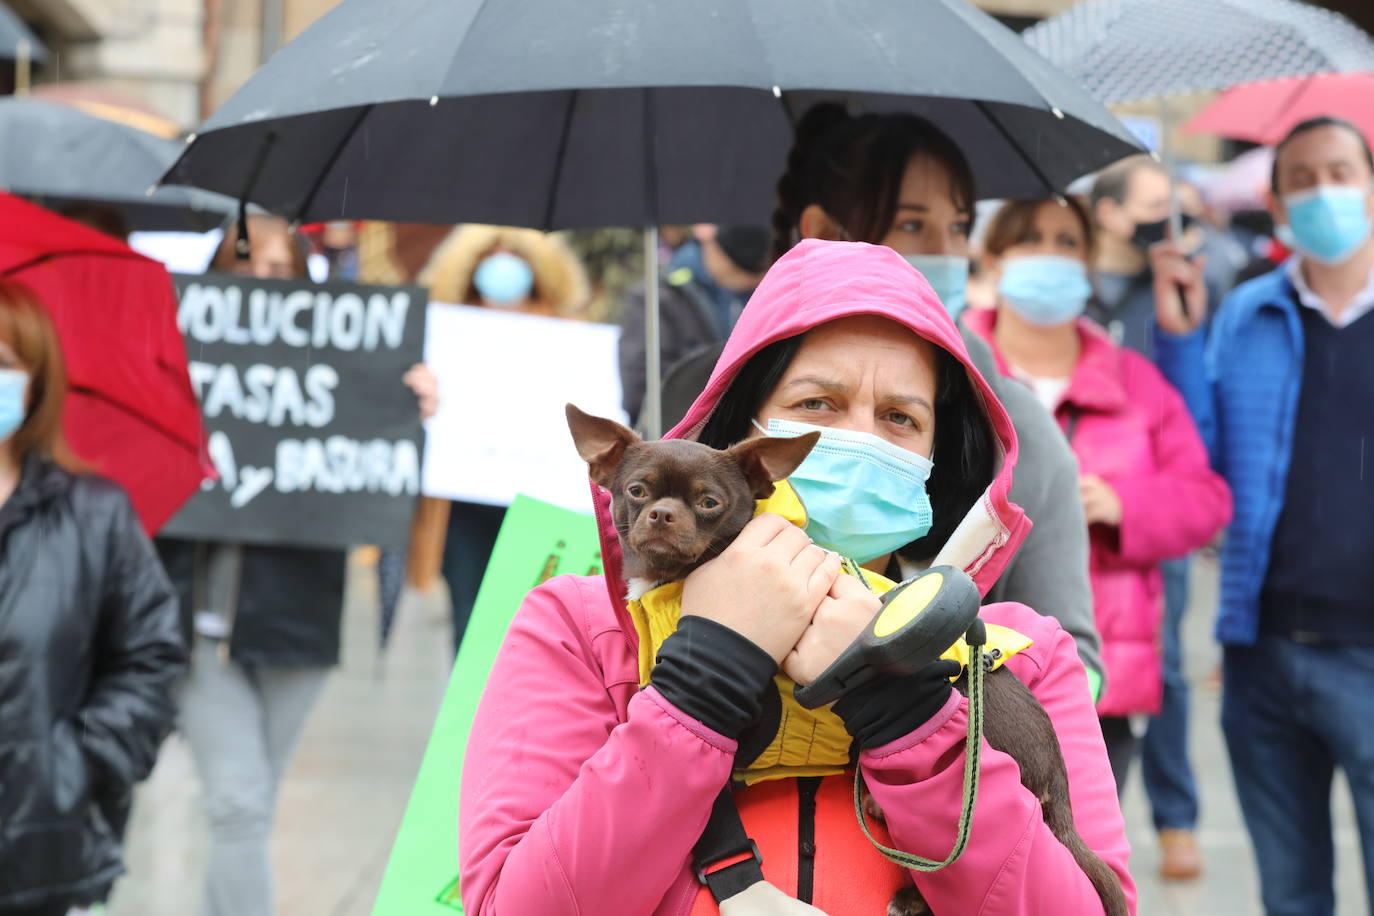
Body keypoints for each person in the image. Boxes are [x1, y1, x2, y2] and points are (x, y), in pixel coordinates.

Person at [460, 239, 1133, 914]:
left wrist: (911, 712)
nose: (862, 438)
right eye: (818, 404)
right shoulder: (581, 631)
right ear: (745, 433)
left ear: (937, 456)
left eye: (901, 417)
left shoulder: (1017, 654)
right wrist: (701, 678)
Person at [766, 103, 1104, 690]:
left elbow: (1076, 666)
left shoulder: (1016, 428)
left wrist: (947, 712)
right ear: (824, 232)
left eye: (958, 227)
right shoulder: (703, 391)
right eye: (913, 225)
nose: (945, 255)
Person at [155, 214, 434, 916]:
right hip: (197, 622)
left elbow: (374, 480)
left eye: (280, 271)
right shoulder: (173, 361)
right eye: (243, 266)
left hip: (298, 623)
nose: (260, 284)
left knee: (250, 801)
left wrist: (404, 408)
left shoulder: (335, 368)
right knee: (239, 804)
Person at [1154, 116, 1374, 916]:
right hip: (1263, 653)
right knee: (1289, 892)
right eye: (1304, 179)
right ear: (1277, 202)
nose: (1325, 193)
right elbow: (1198, 458)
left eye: (1342, 172)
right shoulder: (1248, 312)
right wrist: (1178, 339)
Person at [963, 196, 1232, 796]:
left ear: (1088, 266)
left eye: (1067, 243)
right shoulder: (952, 373)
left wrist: (1124, 506)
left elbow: (1206, 499)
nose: (1050, 257)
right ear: (993, 260)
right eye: (1030, 239)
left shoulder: (1135, 380)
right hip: (974, 669)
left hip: (1104, 677)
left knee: (1086, 859)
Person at [0, 279, 186, 915]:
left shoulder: (97, 516)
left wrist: (70, 764)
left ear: (35, 382)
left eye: (1, 363)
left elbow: (151, 659)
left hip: (45, 852)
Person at [1090, 156, 1235, 878]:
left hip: (1146, 520)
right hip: (1076, 517)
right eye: (1153, 202)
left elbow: (1195, 427)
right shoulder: (1070, 291)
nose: (1169, 214)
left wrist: (1183, 327)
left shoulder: (1173, 293)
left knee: (1167, 665)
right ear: (1110, 214)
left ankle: (1176, 817)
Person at [419, 224, 590, 654]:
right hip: (465, 501)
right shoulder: (442, 328)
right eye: (489, 255)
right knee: (470, 617)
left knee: (539, 621)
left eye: (514, 255)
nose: (502, 265)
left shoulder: (572, 332)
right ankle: (470, 717)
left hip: (543, 499)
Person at [620, 224, 770, 428]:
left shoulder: (768, 295)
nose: (753, 280)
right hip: (678, 442)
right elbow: (640, 392)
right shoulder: (655, 300)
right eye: (741, 269)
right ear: (706, 234)